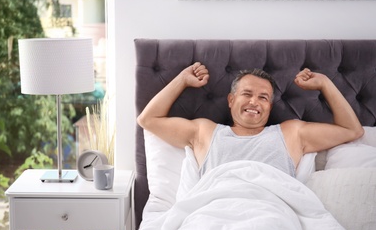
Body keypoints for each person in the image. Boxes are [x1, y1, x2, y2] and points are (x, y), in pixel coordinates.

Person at [137, 62, 364, 177]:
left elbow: (352, 130)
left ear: (270, 106)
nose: (254, 102)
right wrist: (182, 80)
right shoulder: (205, 132)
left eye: (263, 97)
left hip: (271, 212)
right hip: (216, 211)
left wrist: (325, 83)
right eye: (247, 94)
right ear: (230, 100)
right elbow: (148, 119)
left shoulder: (292, 133)